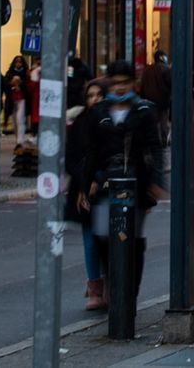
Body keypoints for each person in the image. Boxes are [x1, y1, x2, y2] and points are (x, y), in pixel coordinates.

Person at [79, 62, 167, 307]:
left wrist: (155, 182)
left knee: (132, 240)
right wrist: (87, 184)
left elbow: (154, 149)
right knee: (102, 235)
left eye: (124, 82)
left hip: (135, 185)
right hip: (105, 183)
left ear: (133, 84)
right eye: (115, 82)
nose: (119, 88)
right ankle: (114, 284)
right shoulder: (100, 113)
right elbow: (90, 150)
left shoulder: (142, 111)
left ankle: (129, 295)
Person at [68, 80, 109, 311]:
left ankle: (110, 285)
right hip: (83, 191)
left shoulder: (109, 122)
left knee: (105, 240)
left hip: (105, 189)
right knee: (90, 241)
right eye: (91, 95)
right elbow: (72, 156)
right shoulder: (80, 123)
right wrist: (83, 184)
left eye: (99, 95)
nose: (95, 99)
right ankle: (95, 288)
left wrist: (98, 179)